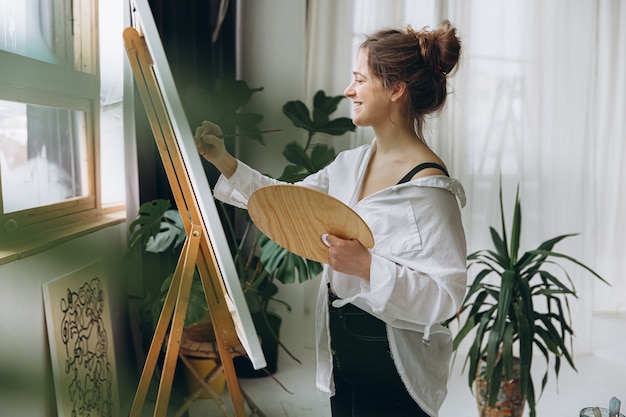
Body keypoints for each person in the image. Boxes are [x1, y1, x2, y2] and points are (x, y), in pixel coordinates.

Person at [195, 20, 466, 417]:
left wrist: (368, 266)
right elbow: (286, 202)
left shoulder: (429, 189)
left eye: (359, 79)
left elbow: (446, 296)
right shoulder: (350, 164)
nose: (348, 90)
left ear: (395, 89)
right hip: (345, 356)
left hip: (395, 370)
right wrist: (223, 160)